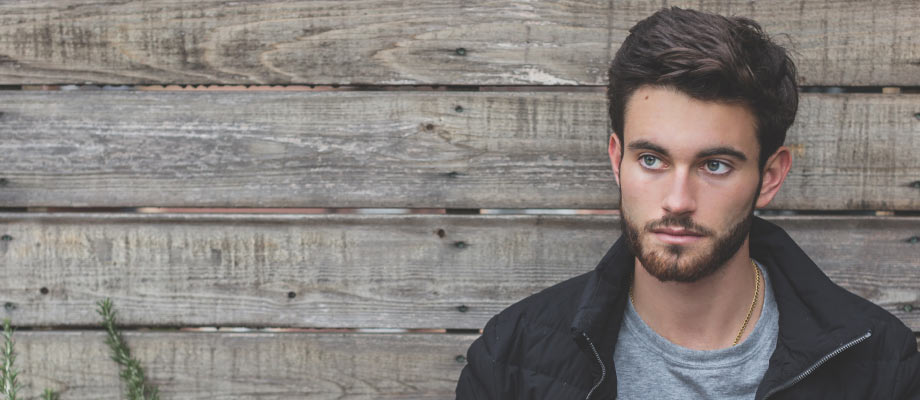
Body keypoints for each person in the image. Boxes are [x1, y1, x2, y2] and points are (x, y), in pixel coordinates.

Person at [455, 6, 920, 399]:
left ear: (770, 176)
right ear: (618, 161)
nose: (678, 201)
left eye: (715, 165)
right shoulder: (511, 358)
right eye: (652, 159)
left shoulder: (879, 364)